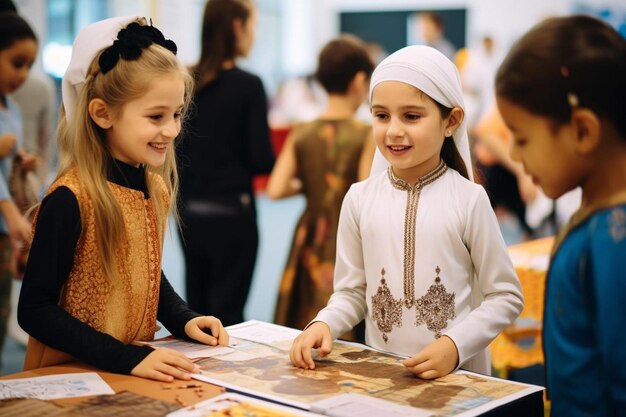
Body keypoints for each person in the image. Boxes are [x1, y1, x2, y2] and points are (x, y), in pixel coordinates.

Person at [290, 45, 524, 379]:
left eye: (411, 116)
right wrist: (324, 321)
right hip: (382, 377)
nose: (394, 130)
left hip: (453, 378)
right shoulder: (359, 198)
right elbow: (352, 291)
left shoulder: (468, 199)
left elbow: (505, 296)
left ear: (451, 121)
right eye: (381, 115)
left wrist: (454, 346)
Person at [17, 16, 229, 382]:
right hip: (70, 375)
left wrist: (183, 317)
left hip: (125, 366)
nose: (172, 129)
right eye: (155, 116)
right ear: (102, 113)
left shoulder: (154, 188)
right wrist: (125, 357)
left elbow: (145, 274)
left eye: (177, 114)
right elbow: (34, 310)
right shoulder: (72, 199)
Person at [495, 15, 626, 415]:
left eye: (522, 139)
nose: (515, 156)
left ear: (583, 131)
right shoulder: (596, 219)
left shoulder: (614, 240)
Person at [268, 35, 375, 340]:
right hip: (347, 232)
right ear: (359, 81)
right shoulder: (364, 134)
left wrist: (313, 185)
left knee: (307, 305)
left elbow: (276, 188)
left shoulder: (302, 132)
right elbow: (366, 191)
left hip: (311, 233)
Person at [178, 0, 275, 326]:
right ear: (237, 25)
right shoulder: (249, 86)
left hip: (188, 214)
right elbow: (261, 158)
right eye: (254, 26)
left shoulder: (186, 80)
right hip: (233, 214)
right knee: (229, 317)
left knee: (195, 315)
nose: (255, 35)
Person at [0, 10, 37, 370]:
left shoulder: (11, 109)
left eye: (29, 65)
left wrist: (20, 157)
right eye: (16, 62)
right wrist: (9, 210)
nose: (23, 74)